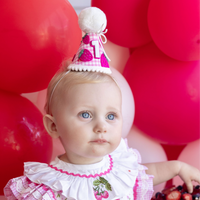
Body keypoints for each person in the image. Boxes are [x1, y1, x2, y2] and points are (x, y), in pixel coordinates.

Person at [4, 7, 200, 200]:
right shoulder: (49, 188)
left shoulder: (120, 169)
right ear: (53, 125)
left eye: (111, 116)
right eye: (86, 115)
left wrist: (178, 167)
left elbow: (143, 175)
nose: (101, 127)